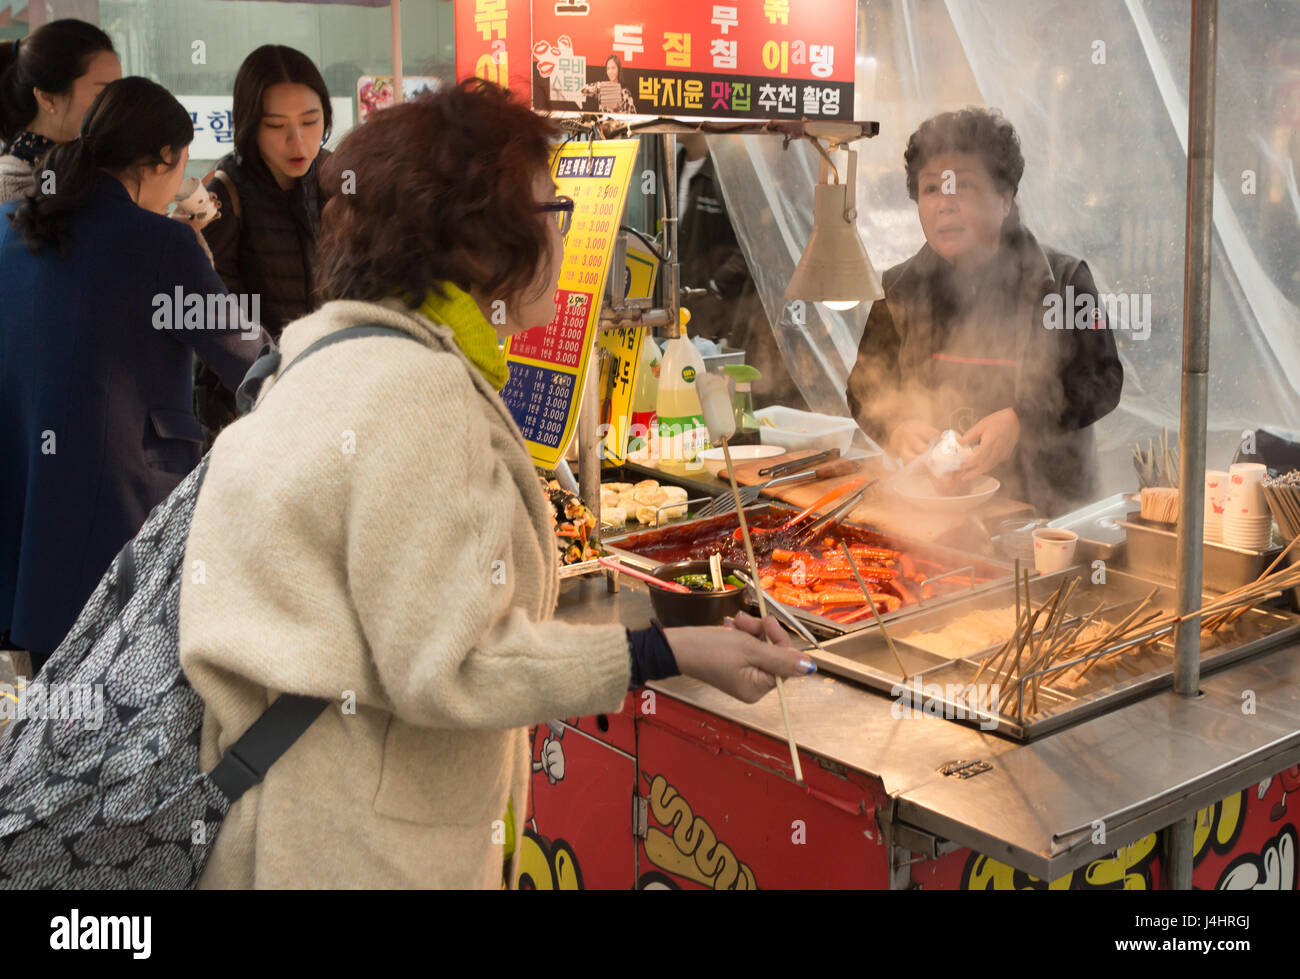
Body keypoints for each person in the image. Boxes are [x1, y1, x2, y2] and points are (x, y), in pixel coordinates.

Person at [178, 80, 811, 889]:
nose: (562, 233)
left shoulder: (331, 354)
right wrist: (669, 649)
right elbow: (454, 663)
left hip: (293, 818)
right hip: (356, 851)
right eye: (552, 212)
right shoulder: (417, 390)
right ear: (483, 242)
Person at [0, 77, 267, 674]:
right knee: (116, 726)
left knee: (45, 722)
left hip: (23, 520)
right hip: (120, 523)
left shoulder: (11, 224)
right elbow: (251, 359)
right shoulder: (164, 246)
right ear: (164, 161)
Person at [845, 108, 1123, 516]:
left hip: (1044, 518)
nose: (945, 205)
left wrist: (1020, 421)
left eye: (965, 187)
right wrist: (895, 429)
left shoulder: (1062, 281)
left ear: (1005, 198)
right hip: (936, 514)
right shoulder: (900, 288)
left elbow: (1102, 379)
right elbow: (864, 390)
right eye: (931, 189)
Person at [195, 44, 332, 443]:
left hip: (331, 397)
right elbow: (215, 316)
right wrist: (279, 377)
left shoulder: (338, 178)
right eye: (276, 126)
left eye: (311, 121)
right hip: (249, 414)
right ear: (249, 125)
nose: (298, 141)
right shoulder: (221, 194)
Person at [676, 131, 806, 410]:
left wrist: (716, 285)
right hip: (688, 314)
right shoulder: (673, 165)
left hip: (723, 317)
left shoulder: (729, 173)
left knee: (723, 400)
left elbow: (752, 243)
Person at [0, 19, 119, 203]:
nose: (116, 104)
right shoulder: (12, 185)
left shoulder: (90, 164)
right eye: (101, 94)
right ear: (47, 98)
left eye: (117, 92)